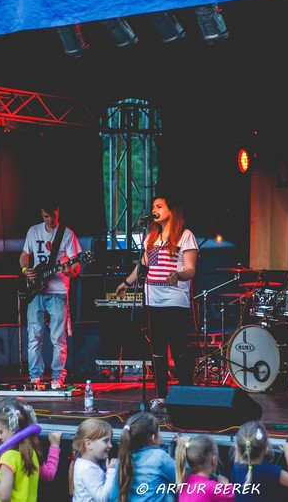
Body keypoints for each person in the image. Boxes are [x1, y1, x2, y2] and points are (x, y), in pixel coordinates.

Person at [114, 194, 198, 411]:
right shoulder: (151, 237)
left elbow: (190, 269)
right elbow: (145, 267)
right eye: (153, 207)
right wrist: (126, 283)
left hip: (175, 300)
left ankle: (185, 395)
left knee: (178, 351)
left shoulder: (185, 236)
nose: (154, 210)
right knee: (158, 352)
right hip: (153, 299)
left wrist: (178, 275)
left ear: (172, 210)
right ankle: (161, 397)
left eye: (159, 206)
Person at [20, 201, 83, 389]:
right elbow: (24, 255)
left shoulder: (67, 234)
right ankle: (35, 377)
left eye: (52, 216)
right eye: (45, 216)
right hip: (36, 291)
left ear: (58, 212)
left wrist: (69, 271)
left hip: (58, 292)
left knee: (58, 339)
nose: (49, 220)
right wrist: (25, 269)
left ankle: (58, 377)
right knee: (34, 336)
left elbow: (76, 265)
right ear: (41, 214)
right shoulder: (33, 231)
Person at [0, 398, 42, 502]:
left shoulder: (8, 457)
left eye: (1, 432)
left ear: (12, 430)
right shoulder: (31, 451)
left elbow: (4, 496)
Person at [108, 411, 175, 502]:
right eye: (159, 431)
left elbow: (113, 497)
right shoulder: (159, 457)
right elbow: (182, 476)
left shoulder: (122, 461)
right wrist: (184, 449)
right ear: (153, 438)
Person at [230, 420, 288, 501]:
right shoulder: (268, 470)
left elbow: (239, 452)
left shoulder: (236, 468)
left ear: (237, 448)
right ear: (266, 448)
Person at [69, 418, 117, 502]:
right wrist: (111, 472)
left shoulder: (85, 464)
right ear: (88, 444)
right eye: (106, 441)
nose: (110, 445)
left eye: (110, 440)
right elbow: (102, 498)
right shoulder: (87, 469)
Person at [174, 434, 234, 502]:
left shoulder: (184, 483)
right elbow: (230, 497)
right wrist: (226, 484)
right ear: (214, 460)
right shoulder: (211, 487)